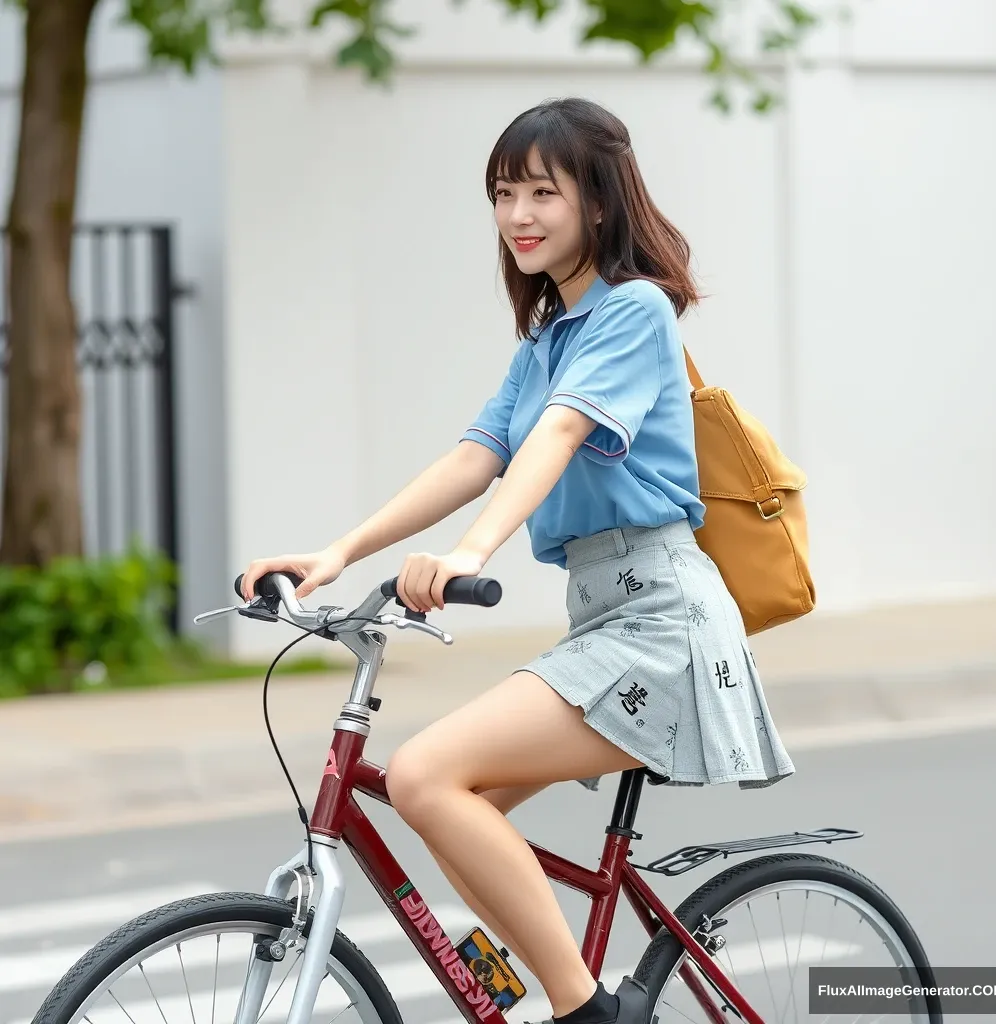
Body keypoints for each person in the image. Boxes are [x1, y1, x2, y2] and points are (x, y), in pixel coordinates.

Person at [240, 97, 794, 1024]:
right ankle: (537, 993)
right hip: (606, 620)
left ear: (600, 204)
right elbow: (476, 456)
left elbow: (563, 433)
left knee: (420, 774)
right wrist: (334, 554)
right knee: (451, 799)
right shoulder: (545, 341)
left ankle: (587, 1013)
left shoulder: (635, 313)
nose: (519, 215)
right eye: (504, 193)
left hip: (662, 624)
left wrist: (469, 551)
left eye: (544, 191)